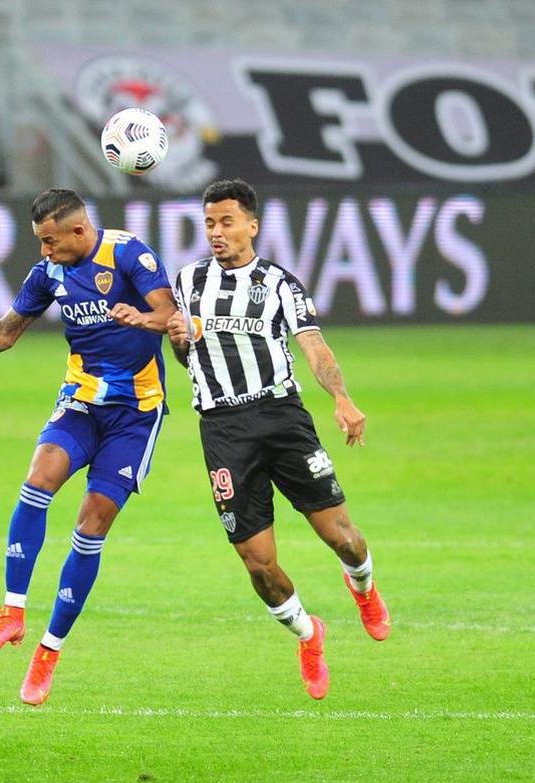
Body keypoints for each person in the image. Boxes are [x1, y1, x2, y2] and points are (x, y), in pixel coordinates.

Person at [0, 188, 174, 706]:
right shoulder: (47, 274)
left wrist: (143, 319)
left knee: (90, 524)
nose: (44, 252)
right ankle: (12, 612)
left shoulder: (129, 254)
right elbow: (7, 333)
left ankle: (48, 654)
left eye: (50, 242)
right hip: (80, 400)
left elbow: (169, 313)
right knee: (38, 480)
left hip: (136, 414)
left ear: (78, 231)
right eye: (39, 243)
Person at [166, 178, 390, 700]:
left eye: (226, 222)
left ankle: (364, 587)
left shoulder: (281, 285)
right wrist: (179, 342)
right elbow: (188, 357)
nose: (216, 233)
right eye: (209, 225)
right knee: (258, 564)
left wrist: (341, 398)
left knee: (344, 539)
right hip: (222, 428)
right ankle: (309, 636)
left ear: (251, 225)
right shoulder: (187, 281)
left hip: (282, 418)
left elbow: (314, 347)